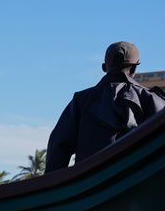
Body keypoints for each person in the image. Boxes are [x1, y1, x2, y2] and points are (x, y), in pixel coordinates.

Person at [47, 41, 165, 172]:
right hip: (138, 178)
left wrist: (51, 183)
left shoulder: (81, 100)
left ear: (104, 67)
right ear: (133, 69)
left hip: (87, 180)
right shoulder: (152, 100)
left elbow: (58, 145)